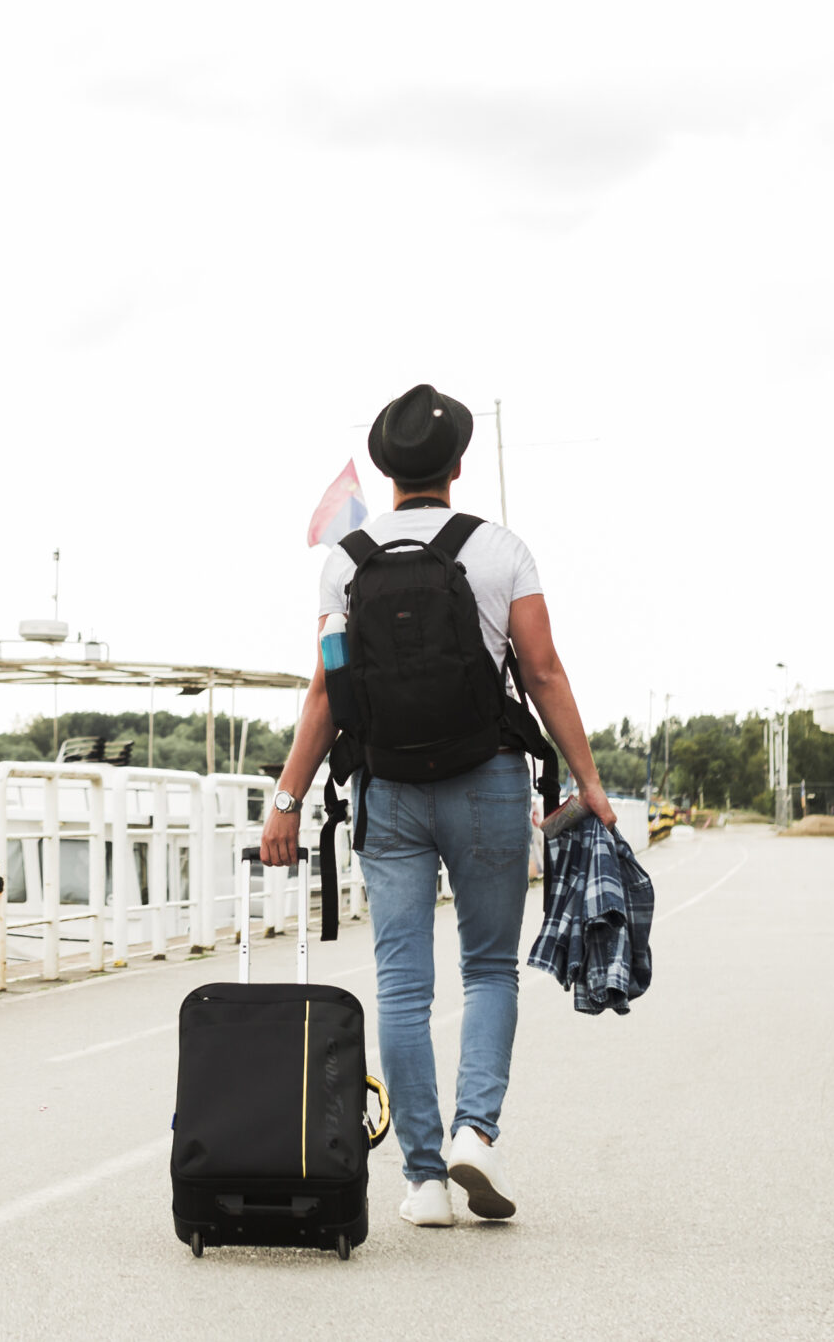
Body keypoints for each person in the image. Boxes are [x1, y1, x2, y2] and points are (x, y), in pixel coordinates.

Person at [260, 384, 616, 1229]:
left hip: (387, 789)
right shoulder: (500, 550)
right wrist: (589, 779)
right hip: (488, 781)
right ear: (458, 464)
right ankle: (475, 1133)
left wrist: (287, 799)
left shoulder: (345, 561)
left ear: (386, 471)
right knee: (488, 968)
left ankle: (424, 1181)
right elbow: (543, 672)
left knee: (402, 984)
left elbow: (326, 694)